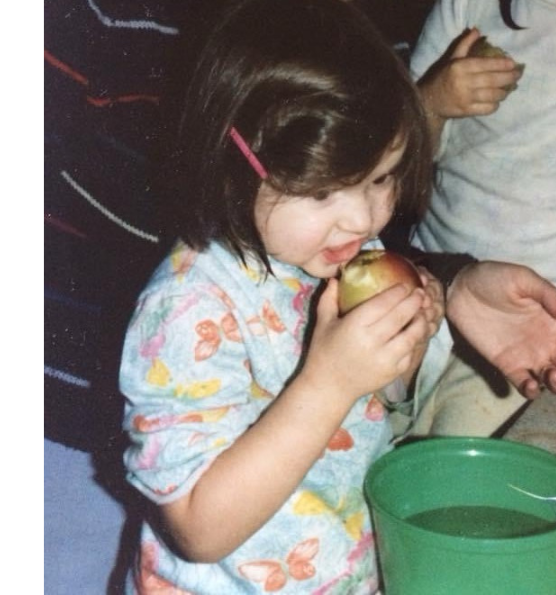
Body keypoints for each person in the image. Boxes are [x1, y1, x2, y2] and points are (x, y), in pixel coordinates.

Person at [118, 0, 449, 591]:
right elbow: (197, 528)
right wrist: (330, 381)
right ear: (233, 164)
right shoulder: (188, 310)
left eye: (382, 178)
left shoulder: (333, 253)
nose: (362, 218)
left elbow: (370, 421)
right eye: (322, 193)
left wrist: (403, 350)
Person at [400, 0, 556, 437]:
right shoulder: (466, 6)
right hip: (428, 282)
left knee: (453, 486)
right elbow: (393, 167)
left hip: (550, 326)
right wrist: (431, 102)